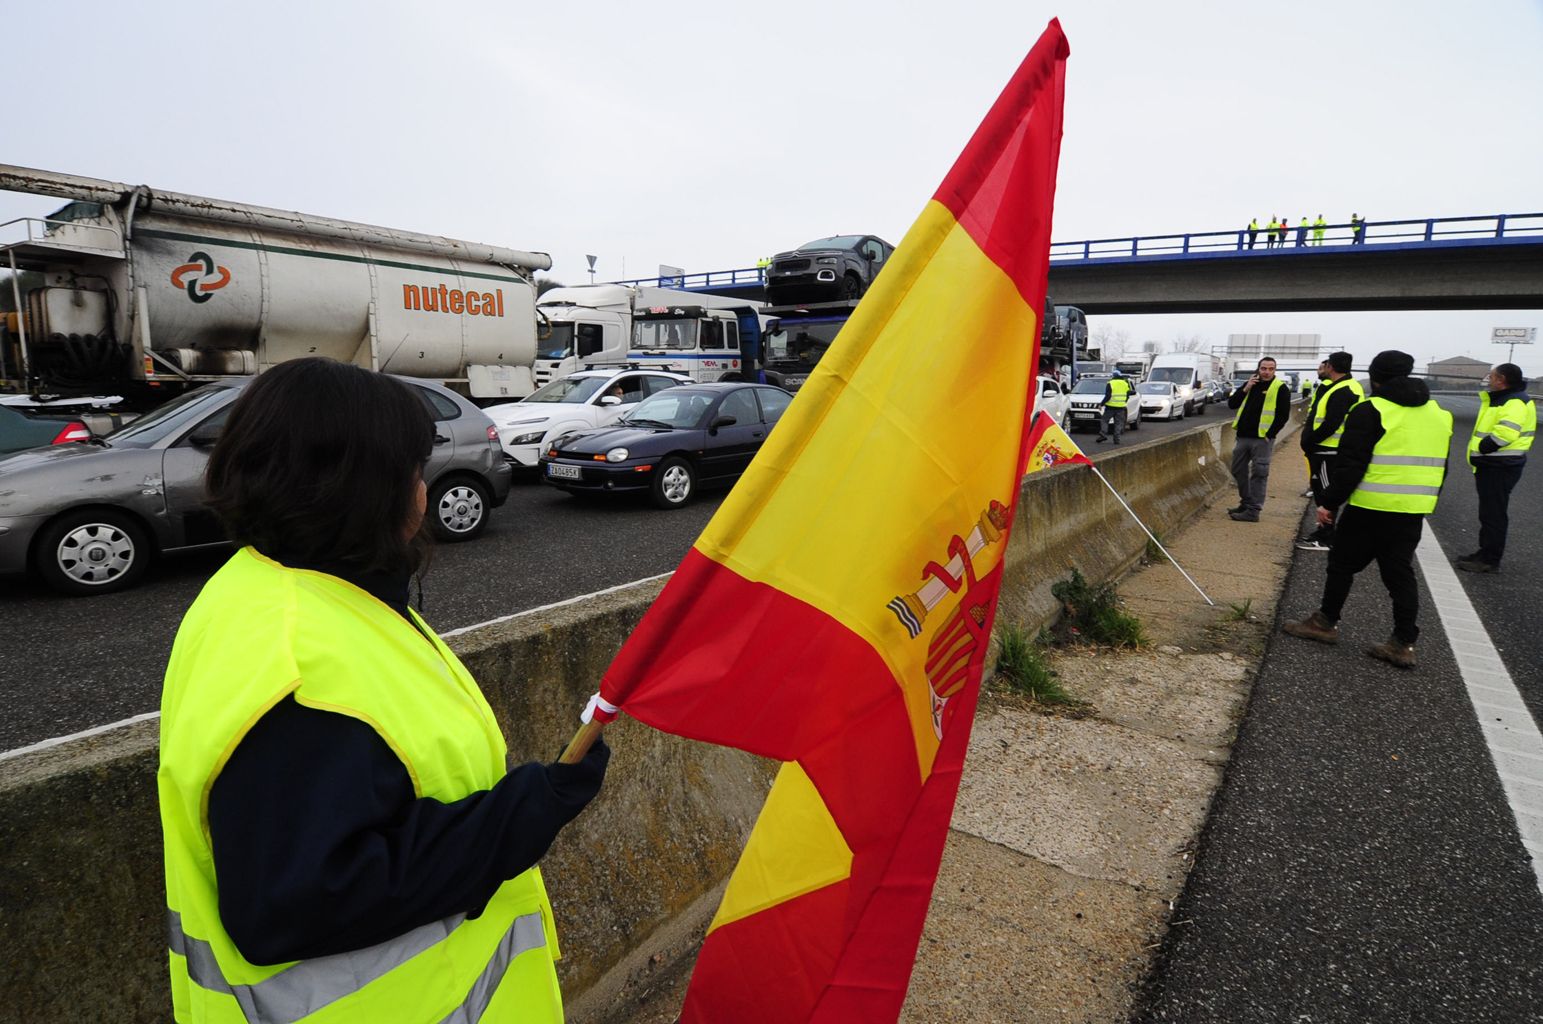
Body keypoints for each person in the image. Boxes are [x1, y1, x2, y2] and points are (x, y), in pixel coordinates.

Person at [158, 358, 609, 1023]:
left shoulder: (279, 585)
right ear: (365, 489)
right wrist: (520, 816)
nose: (422, 493)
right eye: (412, 472)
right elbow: (295, 902)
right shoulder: (301, 666)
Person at [1282, 350, 1453, 669]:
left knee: (1342, 565)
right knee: (1400, 574)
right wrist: (1425, 500)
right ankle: (1403, 644)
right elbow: (1443, 467)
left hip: (1371, 505)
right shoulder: (1439, 414)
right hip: (1413, 508)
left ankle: (1324, 622)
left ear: (1375, 376)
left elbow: (1351, 465)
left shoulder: (1370, 410)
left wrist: (1329, 503)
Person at [1455, 362, 1534, 573]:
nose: (1488, 379)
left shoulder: (1514, 402)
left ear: (1502, 380)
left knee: (1494, 514)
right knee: (1489, 512)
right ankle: (1484, 553)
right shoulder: (1505, 399)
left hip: (1500, 465)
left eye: (1492, 376)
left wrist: (1483, 447)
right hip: (1495, 464)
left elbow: (1506, 433)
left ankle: (1489, 559)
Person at [1296, 352, 1364, 550]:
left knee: (1326, 495)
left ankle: (1326, 536)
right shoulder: (1343, 386)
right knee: (1322, 492)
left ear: (1330, 367)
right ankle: (1323, 532)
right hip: (1327, 449)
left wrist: (1310, 441)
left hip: (1329, 450)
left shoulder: (1344, 390)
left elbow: (1331, 424)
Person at [1226, 356, 1292, 521]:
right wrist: (1246, 387)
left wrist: (1269, 435)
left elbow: (1283, 415)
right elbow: (1232, 404)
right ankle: (1246, 502)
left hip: (1262, 439)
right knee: (1237, 470)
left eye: (1271, 369)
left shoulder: (1280, 388)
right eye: (1264, 368)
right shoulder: (1251, 384)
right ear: (1258, 369)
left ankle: (1253, 511)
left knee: (1259, 474)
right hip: (1243, 436)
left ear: (1275, 370)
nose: (1267, 372)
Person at [1096, 369, 1133, 445]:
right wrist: (1124, 402)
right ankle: (1117, 440)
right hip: (1121, 407)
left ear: (1113, 376)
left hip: (1110, 407)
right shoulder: (1125, 383)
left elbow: (1108, 396)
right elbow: (1128, 394)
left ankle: (1103, 435)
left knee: (1104, 420)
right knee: (1118, 423)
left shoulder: (1110, 383)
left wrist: (1101, 404)